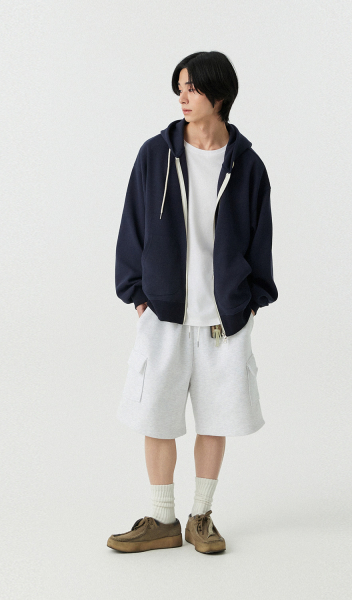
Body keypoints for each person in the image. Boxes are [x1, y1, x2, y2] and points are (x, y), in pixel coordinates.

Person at [107, 51, 278, 554]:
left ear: (218, 95)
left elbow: (261, 239)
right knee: (155, 416)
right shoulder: (154, 156)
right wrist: (137, 293)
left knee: (217, 419)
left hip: (223, 318)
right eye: (179, 88)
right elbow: (132, 225)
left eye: (192, 88)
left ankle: (200, 517)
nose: (182, 97)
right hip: (164, 313)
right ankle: (162, 518)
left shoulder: (247, 165)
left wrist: (251, 300)